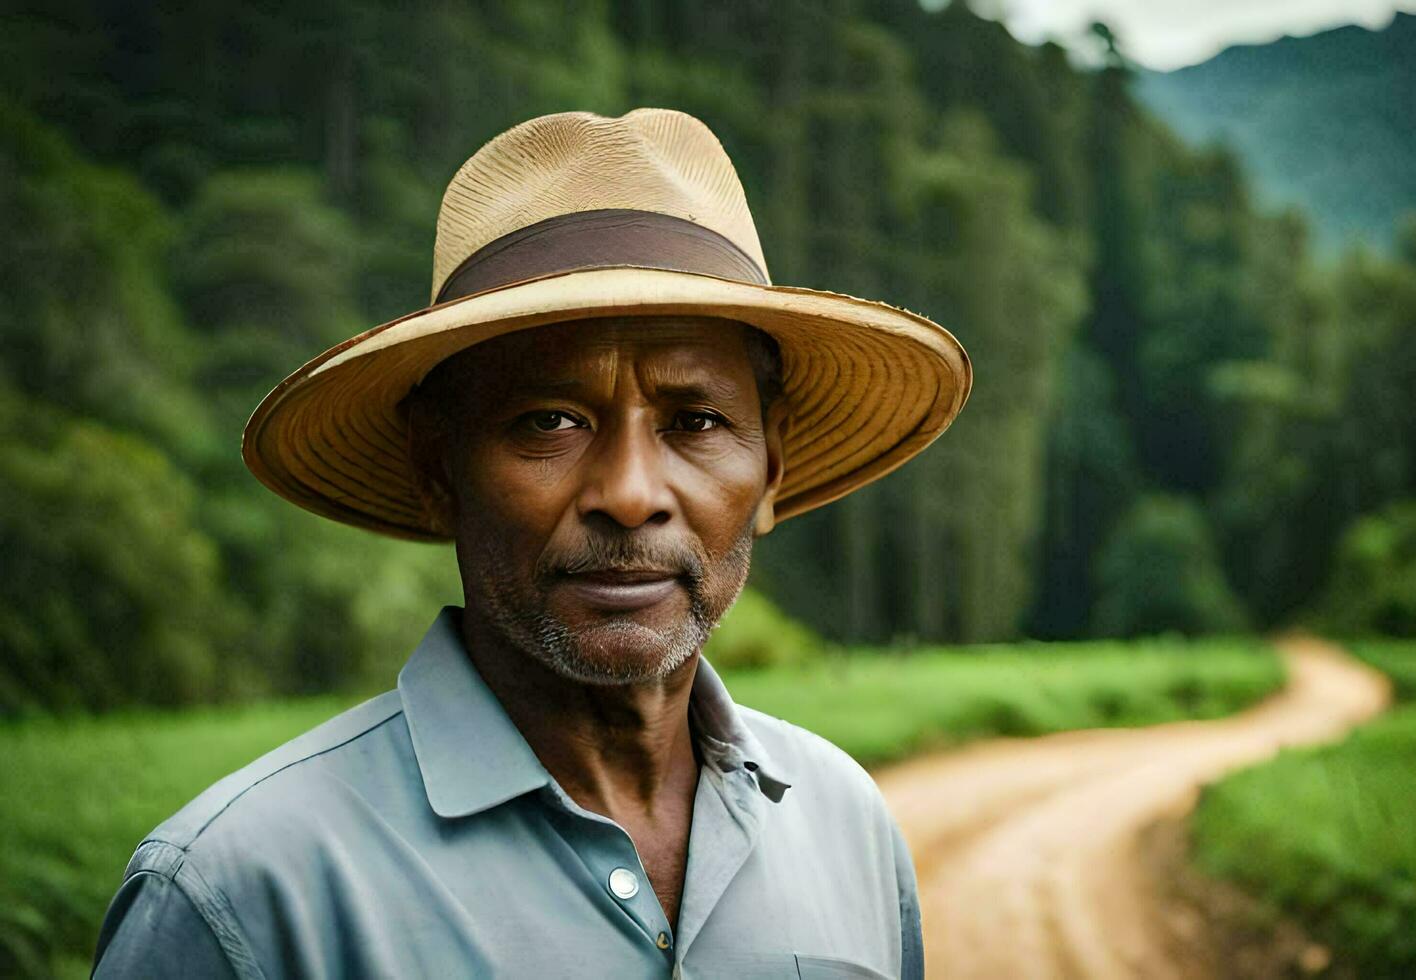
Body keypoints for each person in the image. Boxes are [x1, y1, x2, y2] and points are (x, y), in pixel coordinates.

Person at [91, 107, 970, 979]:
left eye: (695, 420)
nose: (629, 496)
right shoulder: (245, 895)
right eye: (550, 421)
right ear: (440, 472)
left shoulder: (845, 823)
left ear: (771, 472)